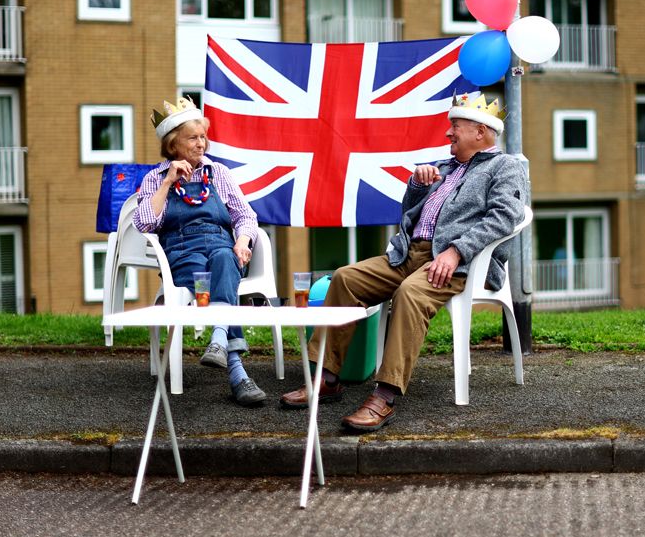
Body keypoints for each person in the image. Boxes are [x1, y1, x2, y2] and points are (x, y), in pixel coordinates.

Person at [280, 93, 528, 431]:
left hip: (456, 261)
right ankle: (326, 377)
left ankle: (384, 396)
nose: (448, 134)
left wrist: (456, 251)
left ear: (481, 132)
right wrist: (416, 185)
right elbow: (409, 215)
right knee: (345, 278)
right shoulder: (444, 168)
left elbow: (505, 217)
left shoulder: (505, 167)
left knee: (409, 295)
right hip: (406, 254)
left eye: (455, 126)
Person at [135, 96, 266, 406]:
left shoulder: (218, 173)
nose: (201, 144)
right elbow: (144, 223)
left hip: (222, 245)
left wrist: (243, 241)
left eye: (203, 136)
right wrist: (168, 182)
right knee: (202, 270)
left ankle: (219, 339)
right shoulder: (155, 178)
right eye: (192, 138)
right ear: (172, 145)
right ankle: (236, 370)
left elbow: (246, 216)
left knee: (224, 259)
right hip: (182, 251)